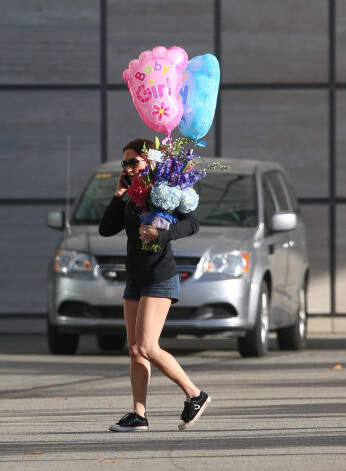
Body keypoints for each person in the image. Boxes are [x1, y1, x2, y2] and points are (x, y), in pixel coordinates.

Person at [99, 138, 211, 432]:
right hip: (135, 277)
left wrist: (161, 235)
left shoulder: (167, 189)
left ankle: (195, 394)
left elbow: (192, 223)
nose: (129, 168)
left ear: (150, 160)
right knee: (135, 349)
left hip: (160, 276)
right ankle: (139, 414)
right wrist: (119, 194)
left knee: (148, 345)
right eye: (125, 163)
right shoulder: (133, 193)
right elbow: (106, 229)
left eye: (134, 162)